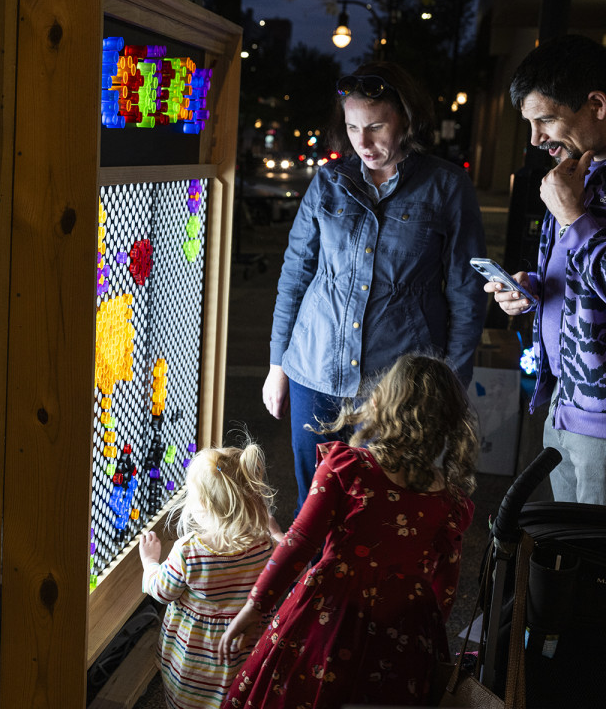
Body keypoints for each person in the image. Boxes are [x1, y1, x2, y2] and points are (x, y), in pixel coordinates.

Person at [263, 61, 486, 513]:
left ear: (406, 118)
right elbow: (295, 275)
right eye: (352, 127)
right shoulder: (328, 183)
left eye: (377, 127)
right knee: (315, 507)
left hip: (398, 385)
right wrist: (277, 364)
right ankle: (319, 586)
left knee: (387, 512)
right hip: (314, 370)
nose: (362, 142)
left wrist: (453, 384)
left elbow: (467, 290)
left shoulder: (446, 186)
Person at [220, 353, 477, 709]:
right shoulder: (450, 501)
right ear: (449, 423)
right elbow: (445, 585)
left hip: (332, 611)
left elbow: (300, 542)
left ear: (382, 402)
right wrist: (428, 636)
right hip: (404, 623)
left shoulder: (348, 468)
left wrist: (255, 606)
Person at [489, 34, 606, 510]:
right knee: (569, 570)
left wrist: (575, 221)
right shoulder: (581, 160)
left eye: (545, 120)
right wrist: (534, 289)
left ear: (596, 104)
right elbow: (586, 276)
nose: (537, 138)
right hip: (566, 403)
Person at [137, 442, 283, 709]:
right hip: (245, 651)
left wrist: (149, 563)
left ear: (201, 503)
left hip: (195, 659)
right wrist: (274, 532)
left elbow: (162, 591)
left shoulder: (189, 550)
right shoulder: (264, 544)